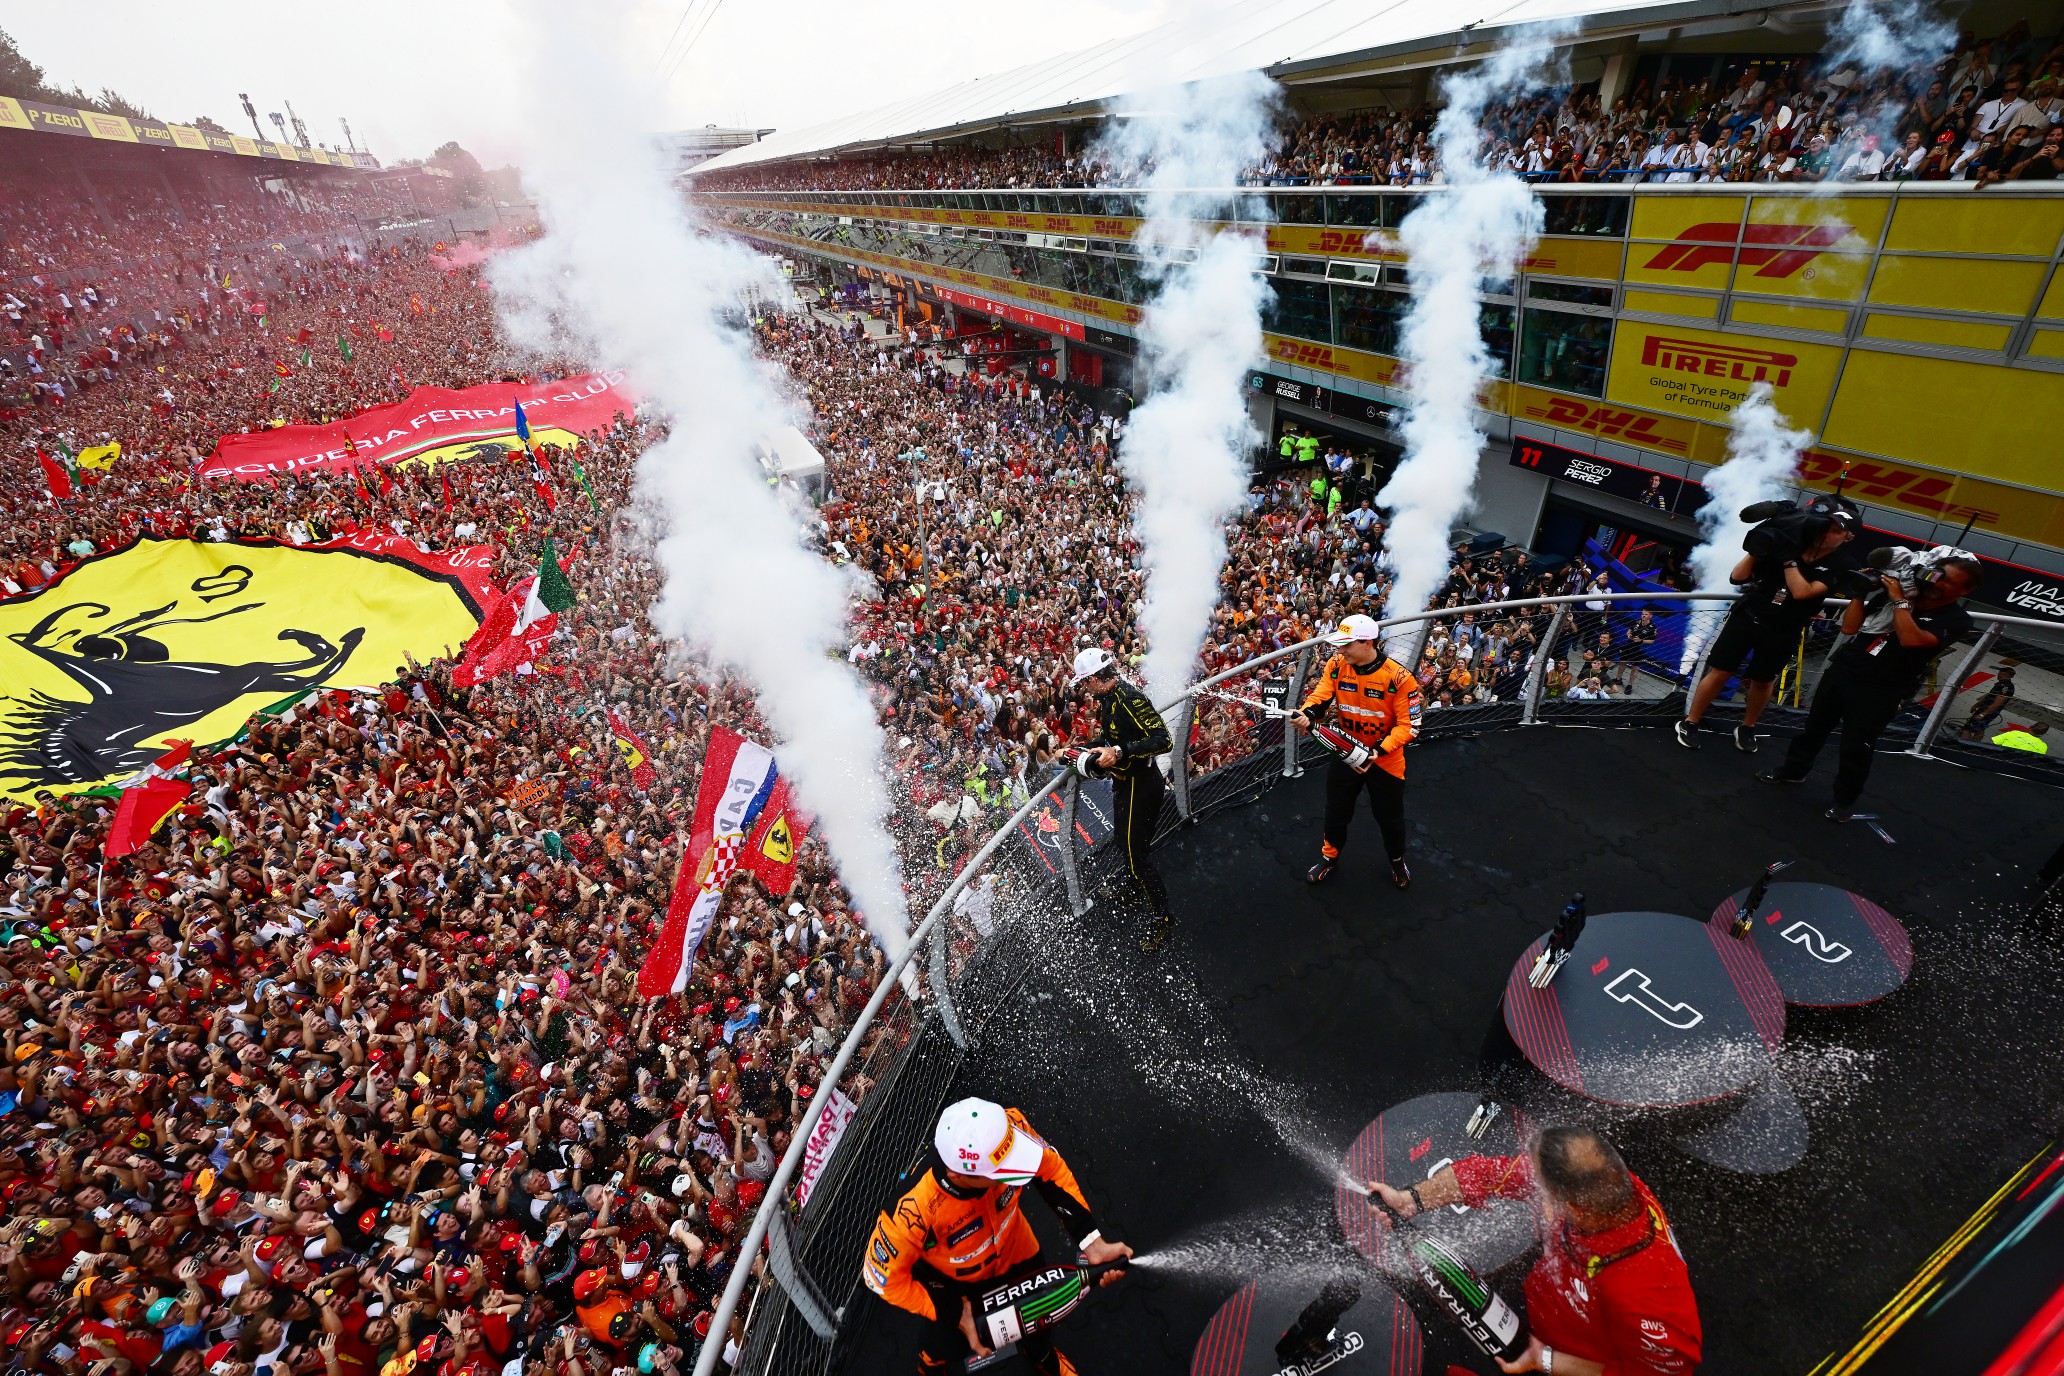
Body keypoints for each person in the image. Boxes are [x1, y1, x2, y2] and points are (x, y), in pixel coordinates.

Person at [1364, 1124, 1701, 1375]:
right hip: (1546, 1315)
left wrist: (1545, 1361)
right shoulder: (1602, 1185)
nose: (1527, 1179)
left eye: (1539, 1185)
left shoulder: (1647, 1297)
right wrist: (1410, 1200)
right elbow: (1488, 1175)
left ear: (1573, 1209)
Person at [862, 1098, 1132, 1375]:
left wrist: (1092, 1241)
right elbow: (878, 1278)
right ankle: (931, 1366)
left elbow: (1049, 1168)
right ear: (958, 1174)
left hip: (1018, 1252)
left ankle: (1042, 1356)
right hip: (955, 1286)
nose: (1015, 1173)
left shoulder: (1008, 1128)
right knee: (945, 1344)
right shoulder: (912, 1210)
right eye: (1001, 1171)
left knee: (1040, 1316)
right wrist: (949, 1310)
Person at [1759, 549, 1981, 819]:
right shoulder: (1898, 593)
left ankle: (1844, 801)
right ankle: (1793, 771)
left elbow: (1913, 640)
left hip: (1881, 689)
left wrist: (1900, 601)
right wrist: (1860, 592)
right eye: (1939, 575)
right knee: (1813, 729)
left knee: (1857, 746)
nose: (1938, 582)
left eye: (1949, 582)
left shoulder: (1956, 620)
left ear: (1966, 590)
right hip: (1845, 670)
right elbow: (1850, 628)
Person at [1677, 502, 1857, 752]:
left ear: (1849, 537)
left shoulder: (1843, 564)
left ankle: (1748, 727)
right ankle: (1691, 721)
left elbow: (1802, 592)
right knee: (1720, 671)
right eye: (1828, 526)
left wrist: (1788, 559)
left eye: (1838, 531)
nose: (1829, 533)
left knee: (1763, 680)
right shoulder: (1793, 541)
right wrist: (1757, 548)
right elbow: (1737, 577)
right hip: (1749, 615)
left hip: (1785, 627)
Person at [1292, 614, 1422, 888]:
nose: (1340, 650)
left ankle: (1397, 862)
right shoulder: (1337, 664)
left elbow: (1409, 726)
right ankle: (1329, 859)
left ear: (1368, 643)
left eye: (1346, 645)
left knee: (1390, 818)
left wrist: (1376, 751)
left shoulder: (1400, 678)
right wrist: (1306, 713)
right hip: (1346, 753)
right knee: (1335, 812)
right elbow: (1321, 696)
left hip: (1385, 760)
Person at [1070, 645, 1177, 951]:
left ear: (1093, 680)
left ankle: (1162, 918)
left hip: (1141, 786)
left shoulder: (1129, 698)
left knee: (1137, 856)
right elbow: (1113, 738)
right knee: (1124, 842)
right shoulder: (1107, 699)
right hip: (1126, 783)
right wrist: (1092, 747)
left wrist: (1118, 752)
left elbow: (1163, 739)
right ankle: (1133, 888)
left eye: (1083, 682)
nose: (1082, 689)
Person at [1961, 665, 2017, 737]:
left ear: (2002, 674)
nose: (1998, 674)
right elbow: (1989, 696)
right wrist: (1976, 705)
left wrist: (1982, 714)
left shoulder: (2006, 687)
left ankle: (1964, 743)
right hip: (1987, 710)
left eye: (2000, 673)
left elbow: (1997, 703)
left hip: (1987, 711)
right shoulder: (2001, 684)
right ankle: (1974, 745)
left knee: (1966, 729)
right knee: (1980, 729)